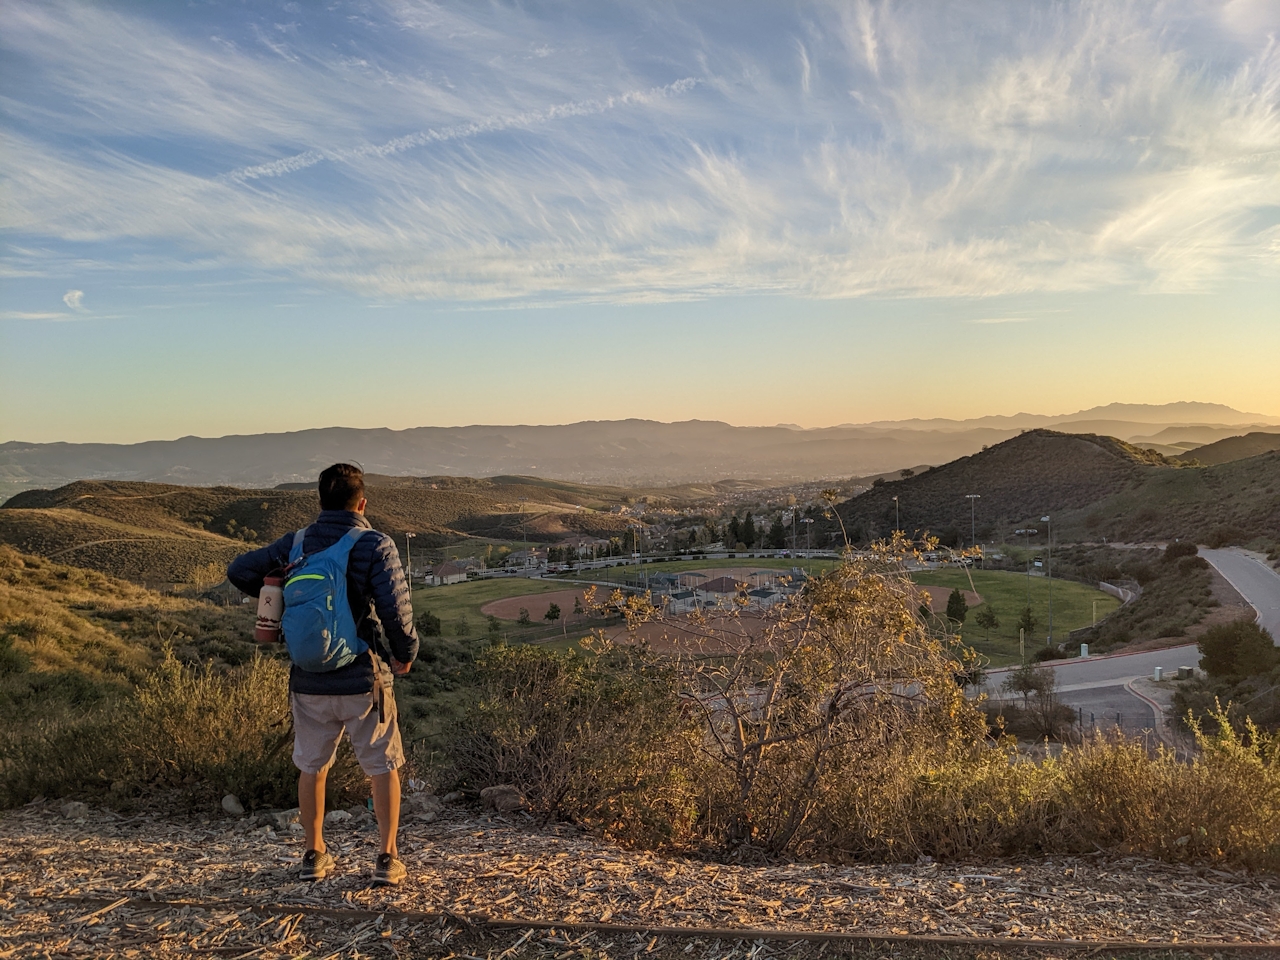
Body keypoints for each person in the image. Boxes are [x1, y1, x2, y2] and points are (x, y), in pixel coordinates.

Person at [228, 463, 418, 885]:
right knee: (382, 765)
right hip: (361, 678)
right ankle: (387, 858)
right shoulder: (374, 544)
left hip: (308, 678)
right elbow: (395, 610)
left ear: (320, 501)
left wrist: (277, 598)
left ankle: (314, 854)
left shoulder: (296, 544)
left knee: (312, 767)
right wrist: (404, 654)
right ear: (362, 502)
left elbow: (239, 569)